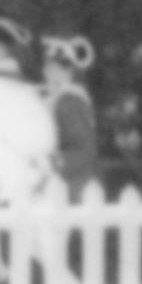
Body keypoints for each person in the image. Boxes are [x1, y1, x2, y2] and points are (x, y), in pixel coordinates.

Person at [42, 35, 100, 195]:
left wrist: (50, 163)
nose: (52, 73)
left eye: (59, 69)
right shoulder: (55, 99)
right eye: (49, 67)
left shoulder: (70, 101)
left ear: (71, 72)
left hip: (74, 187)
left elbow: (84, 150)